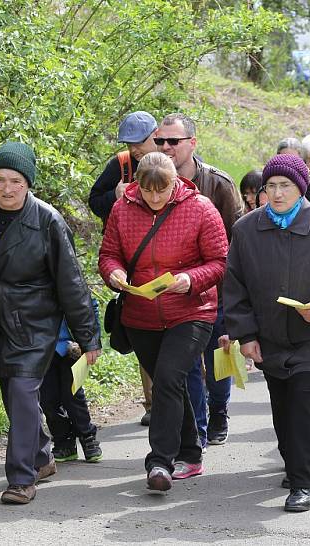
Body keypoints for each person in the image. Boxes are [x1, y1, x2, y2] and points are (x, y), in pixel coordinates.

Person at [0, 142, 101, 504]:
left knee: (21, 392)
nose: (6, 188)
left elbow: (72, 284)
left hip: (35, 324)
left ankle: (21, 479)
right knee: (12, 393)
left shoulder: (48, 221)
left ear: (28, 182)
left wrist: (88, 336)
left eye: (15, 181)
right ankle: (41, 457)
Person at [223, 154, 310, 512]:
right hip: (270, 336)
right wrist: (246, 335)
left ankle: (302, 482)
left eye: (284, 185)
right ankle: (306, 454)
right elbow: (235, 289)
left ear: (300, 188)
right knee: (283, 406)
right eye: (270, 186)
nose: (276, 193)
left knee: (302, 400)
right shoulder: (246, 230)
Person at [98, 152, 227, 492]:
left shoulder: (200, 208)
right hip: (140, 314)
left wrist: (190, 278)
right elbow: (108, 254)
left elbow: (220, 261)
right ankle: (191, 452)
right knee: (170, 384)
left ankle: (159, 462)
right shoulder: (121, 209)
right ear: (137, 185)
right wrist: (115, 272)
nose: (155, 198)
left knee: (169, 378)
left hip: (191, 310)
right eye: (148, 190)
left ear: (176, 183)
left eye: (163, 190)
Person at [157, 113, 243, 446]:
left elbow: (238, 240)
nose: (166, 148)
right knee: (187, 365)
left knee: (218, 359)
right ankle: (197, 427)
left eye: (173, 142)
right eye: (161, 141)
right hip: (176, 297)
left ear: (191, 143)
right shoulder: (151, 181)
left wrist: (237, 291)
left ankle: (219, 410)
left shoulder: (218, 183)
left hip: (218, 290)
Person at [87, 111, 158, 425]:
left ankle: (188, 401)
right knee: (143, 332)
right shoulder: (121, 163)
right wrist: (113, 197)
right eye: (129, 143)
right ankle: (153, 404)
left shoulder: (172, 159)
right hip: (131, 261)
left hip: (171, 261)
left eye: (139, 142)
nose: (135, 149)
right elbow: (94, 199)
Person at [40, 313, 102, 464]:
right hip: (41, 346)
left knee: (73, 395)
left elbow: (88, 307)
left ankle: (87, 436)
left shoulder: (73, 289)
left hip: (72, 346)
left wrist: (92, 342)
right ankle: (63, 441)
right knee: (48, 398)